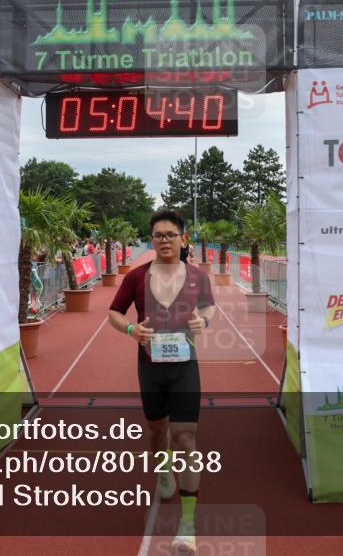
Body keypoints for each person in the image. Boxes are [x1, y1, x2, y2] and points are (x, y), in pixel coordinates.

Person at [108, 209, 215, 554]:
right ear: (151, 240)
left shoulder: (198, 277)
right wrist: (130, 329)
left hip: (185, 367)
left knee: (186, 437)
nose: (165, 240)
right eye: (158, 235)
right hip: (150, 367)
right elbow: (113, 313)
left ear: (183, 239)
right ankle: (163, 469)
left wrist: (204, 322)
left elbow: (209, 308)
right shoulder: (136, 277)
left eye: (171, 234)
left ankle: (188, 525)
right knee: (157, 432)